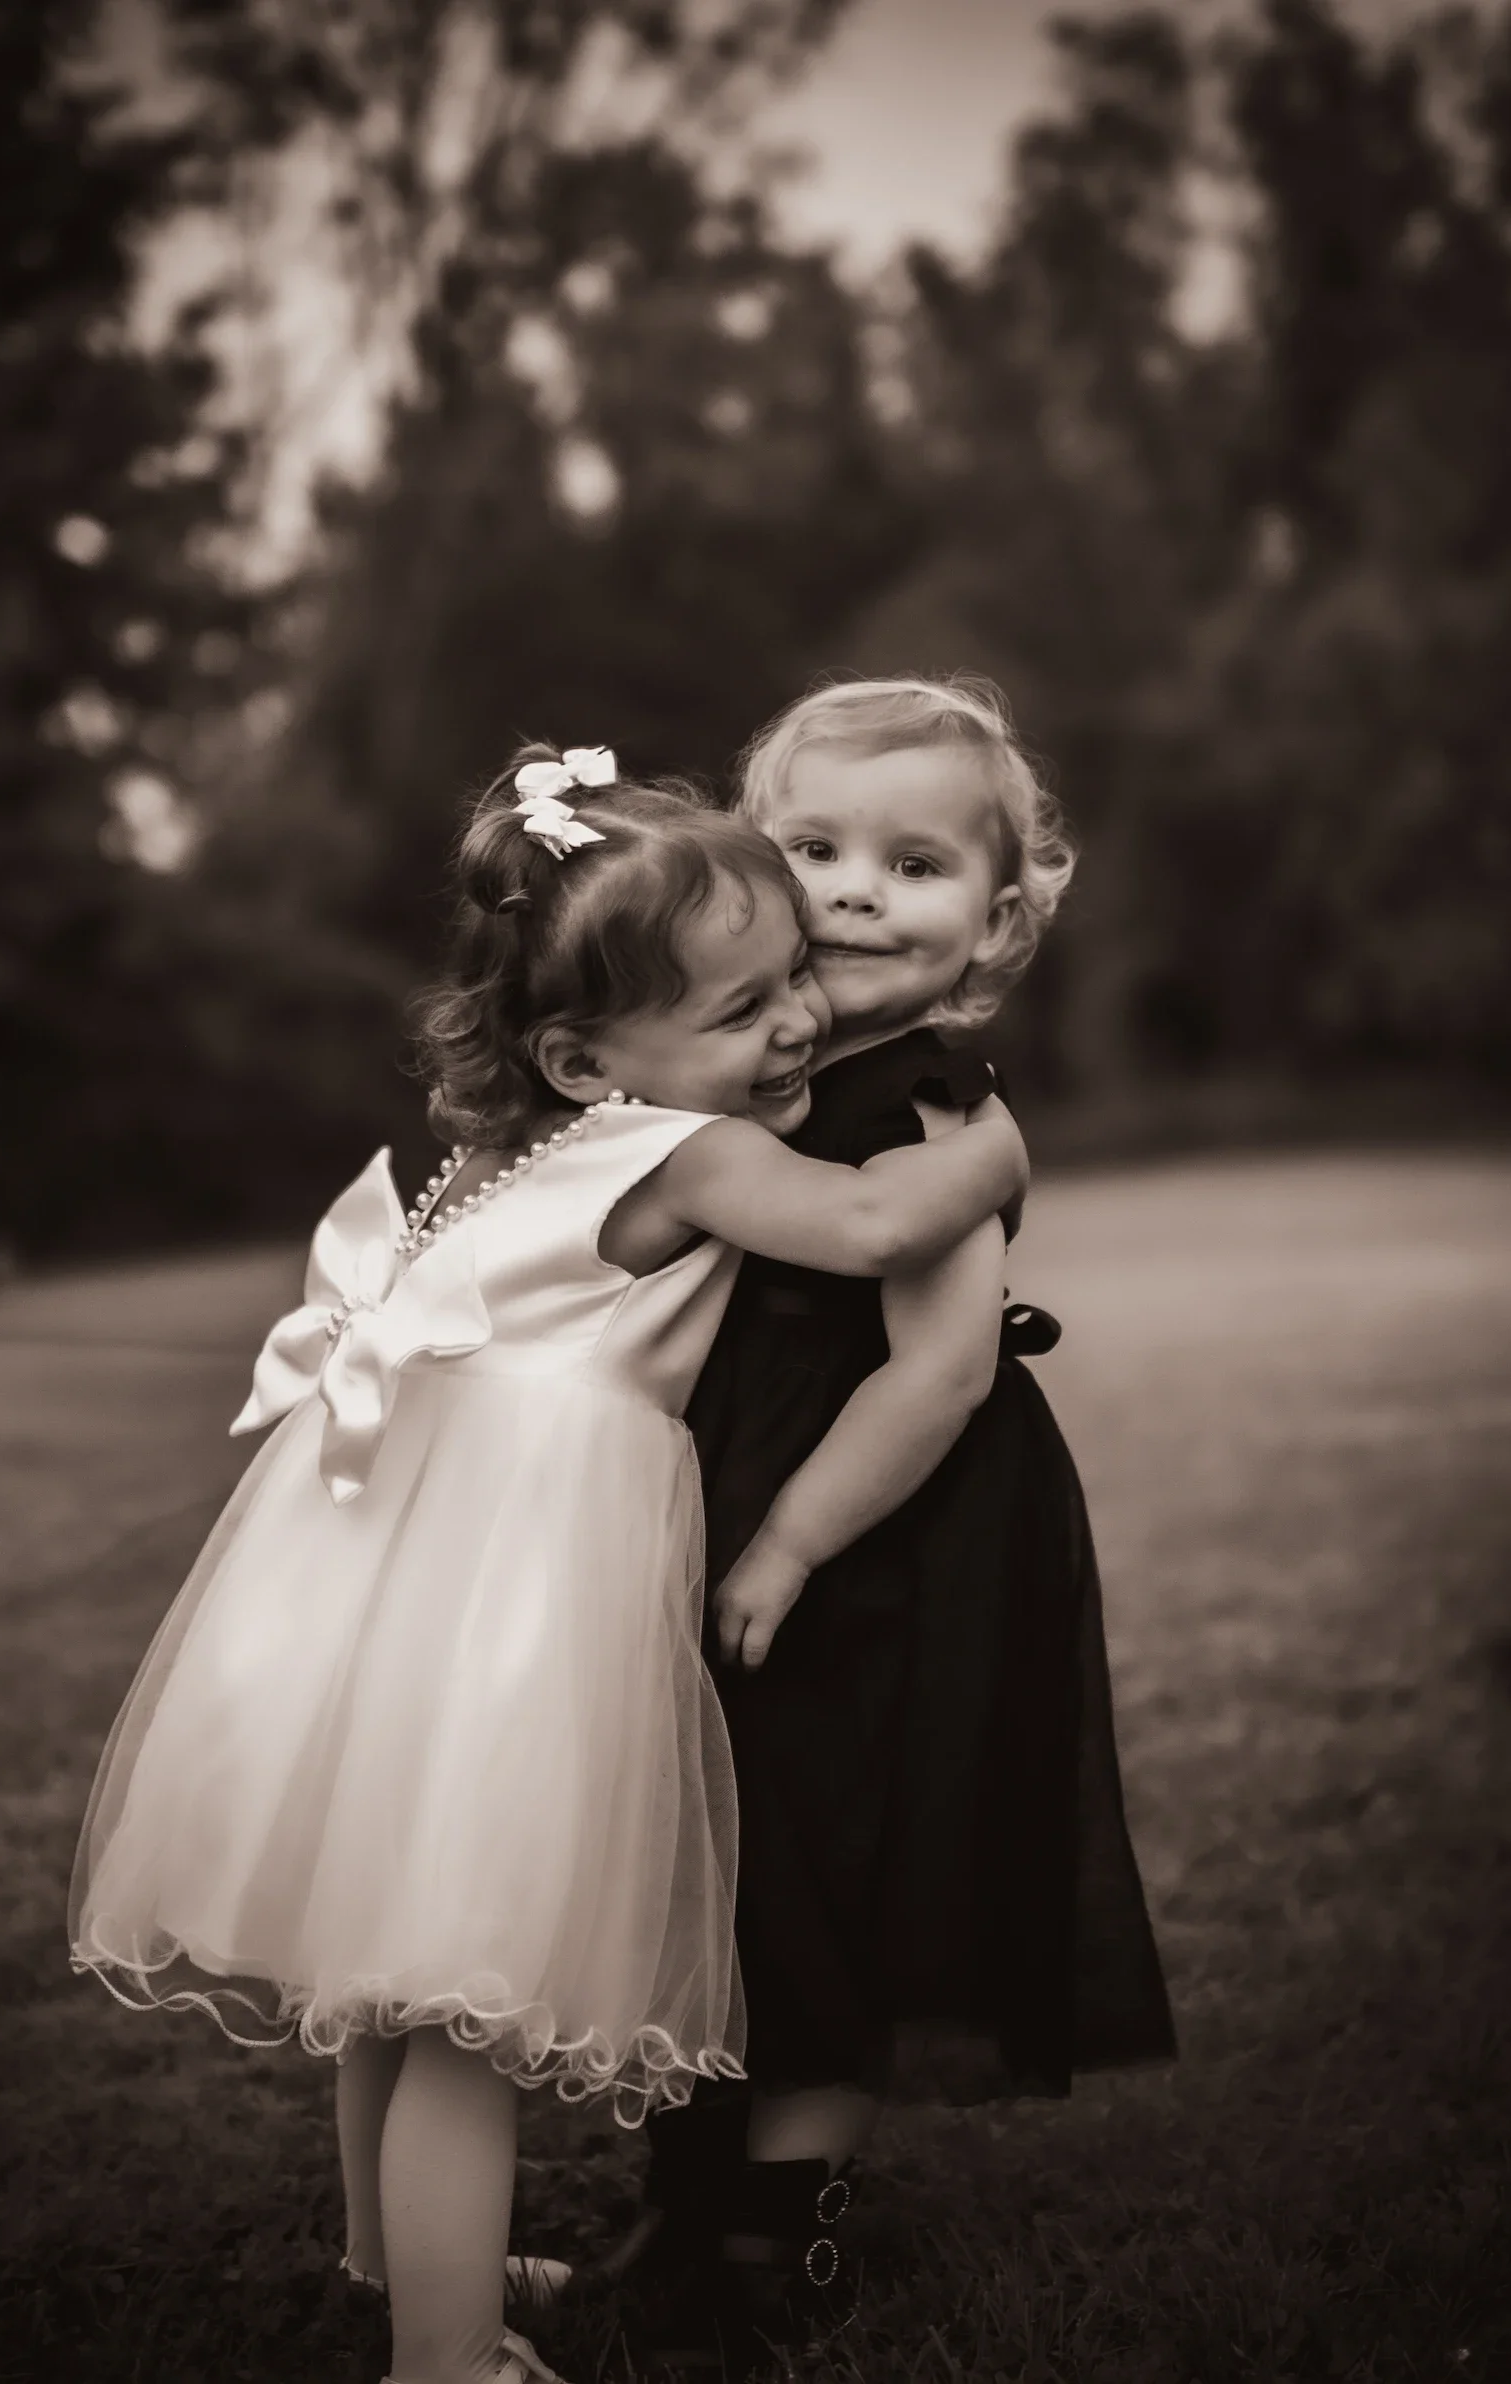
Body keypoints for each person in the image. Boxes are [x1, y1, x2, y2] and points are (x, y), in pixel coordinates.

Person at [68, 745, 1031, 2384]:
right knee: (467, 2001)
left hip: (394, 1588)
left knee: (389, 1967)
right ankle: (446, 2358)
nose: (796, 1023)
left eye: (794, 980)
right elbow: (878, 1227)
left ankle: (393, 2259)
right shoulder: (683, 1150)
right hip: (519, 1600)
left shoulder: (494, 1159)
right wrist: (994, 1152)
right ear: (587, 1059)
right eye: (743, 1009)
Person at [620, 677, 1177, 2368]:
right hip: (737, 1498)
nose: (857, 892)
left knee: (833, 1868)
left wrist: (792, 1542)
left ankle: (779, 2246)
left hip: (884, 1534)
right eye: (816, 850)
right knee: (715, 1860)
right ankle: (684, 2215)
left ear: (996, 922)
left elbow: (939, 1373)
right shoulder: (737, 1080)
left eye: (915, 865)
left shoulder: (934, 1109)